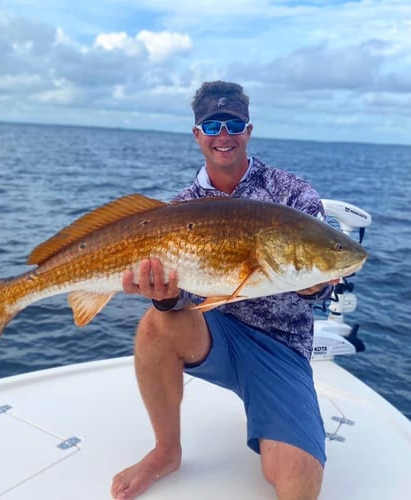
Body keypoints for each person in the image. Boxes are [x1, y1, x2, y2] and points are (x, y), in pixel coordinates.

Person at [111, 80, 334, 500]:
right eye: (212, 126)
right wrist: (164, 296)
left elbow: (314, 276)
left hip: (281, 348)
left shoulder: (292, 194)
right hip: (217, 334)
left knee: (298, 482)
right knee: (155, 323)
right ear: (198, 135)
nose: (224, 135)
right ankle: (165, 452)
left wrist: (313, 286)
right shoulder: (182, 207)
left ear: (248, 130)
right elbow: (185, 302)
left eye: (233, 124)